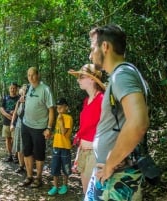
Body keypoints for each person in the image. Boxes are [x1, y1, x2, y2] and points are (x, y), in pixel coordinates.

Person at [84, 24, 150, 201]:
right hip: (110, 173)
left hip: (117, 177)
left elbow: (138, 123)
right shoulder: (121, 75)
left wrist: (110, 164)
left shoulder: (122, 75)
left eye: (93, 48)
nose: (90, 55)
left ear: (105, 46)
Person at [68, 64, 105, 194]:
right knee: (86, 192)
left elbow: (108, 129)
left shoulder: (102, 99)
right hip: (84, 151)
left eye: (81, 77)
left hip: (95, 154)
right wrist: (78, 154)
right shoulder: (86, 100)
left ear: (92, 79)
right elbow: (84, 129)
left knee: (94, 193)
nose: (78, 80)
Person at [19, 67, 55, 188]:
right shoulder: (28, 88)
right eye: (29, 75)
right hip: (26, 124)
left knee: (39, 153)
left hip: (39, 127)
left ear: (38, 75)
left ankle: (38, 178)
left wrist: (49, 128)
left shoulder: (45, 89)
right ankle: (29, 176)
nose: (31, 77)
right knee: (27, 151)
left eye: (33, 75)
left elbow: (51, 110)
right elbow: (22, 94)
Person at [47, 98, 73, 196]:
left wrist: (61, 121)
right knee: (55, 166)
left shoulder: (67, 118)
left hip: (65, 147)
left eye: (61, 107)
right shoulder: (59, 117)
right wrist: (51, 135)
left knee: (65, 167)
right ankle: (55, 186)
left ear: (66, 107)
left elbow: (64, 133)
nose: (59, 109)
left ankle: (65, 185)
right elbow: (58, 132)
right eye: (57, 108)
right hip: (56, 146)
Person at [0, 82, 20, 163]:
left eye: (14, 88)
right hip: (6, 122)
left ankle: (16, 156)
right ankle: (10, 155)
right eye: (11, 88)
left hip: (16, 123)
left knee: (15, 139)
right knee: (7, 138)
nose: (12, 89)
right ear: (9, 89)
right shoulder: (5, 98)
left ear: (16, 89)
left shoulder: (19, 98)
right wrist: (7, 115)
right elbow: (1, 108)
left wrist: (14, 116)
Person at [10, 84, 28, 173]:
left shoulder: (30, 100)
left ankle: (29, 166)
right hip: (19, 125)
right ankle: (21, 166)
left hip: (28, 126)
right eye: (22, 89)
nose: (23, 91)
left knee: (27, 147)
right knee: (20, 147)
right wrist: (12, 124)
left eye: (25, 90)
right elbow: (15, 113)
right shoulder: (19, 101)